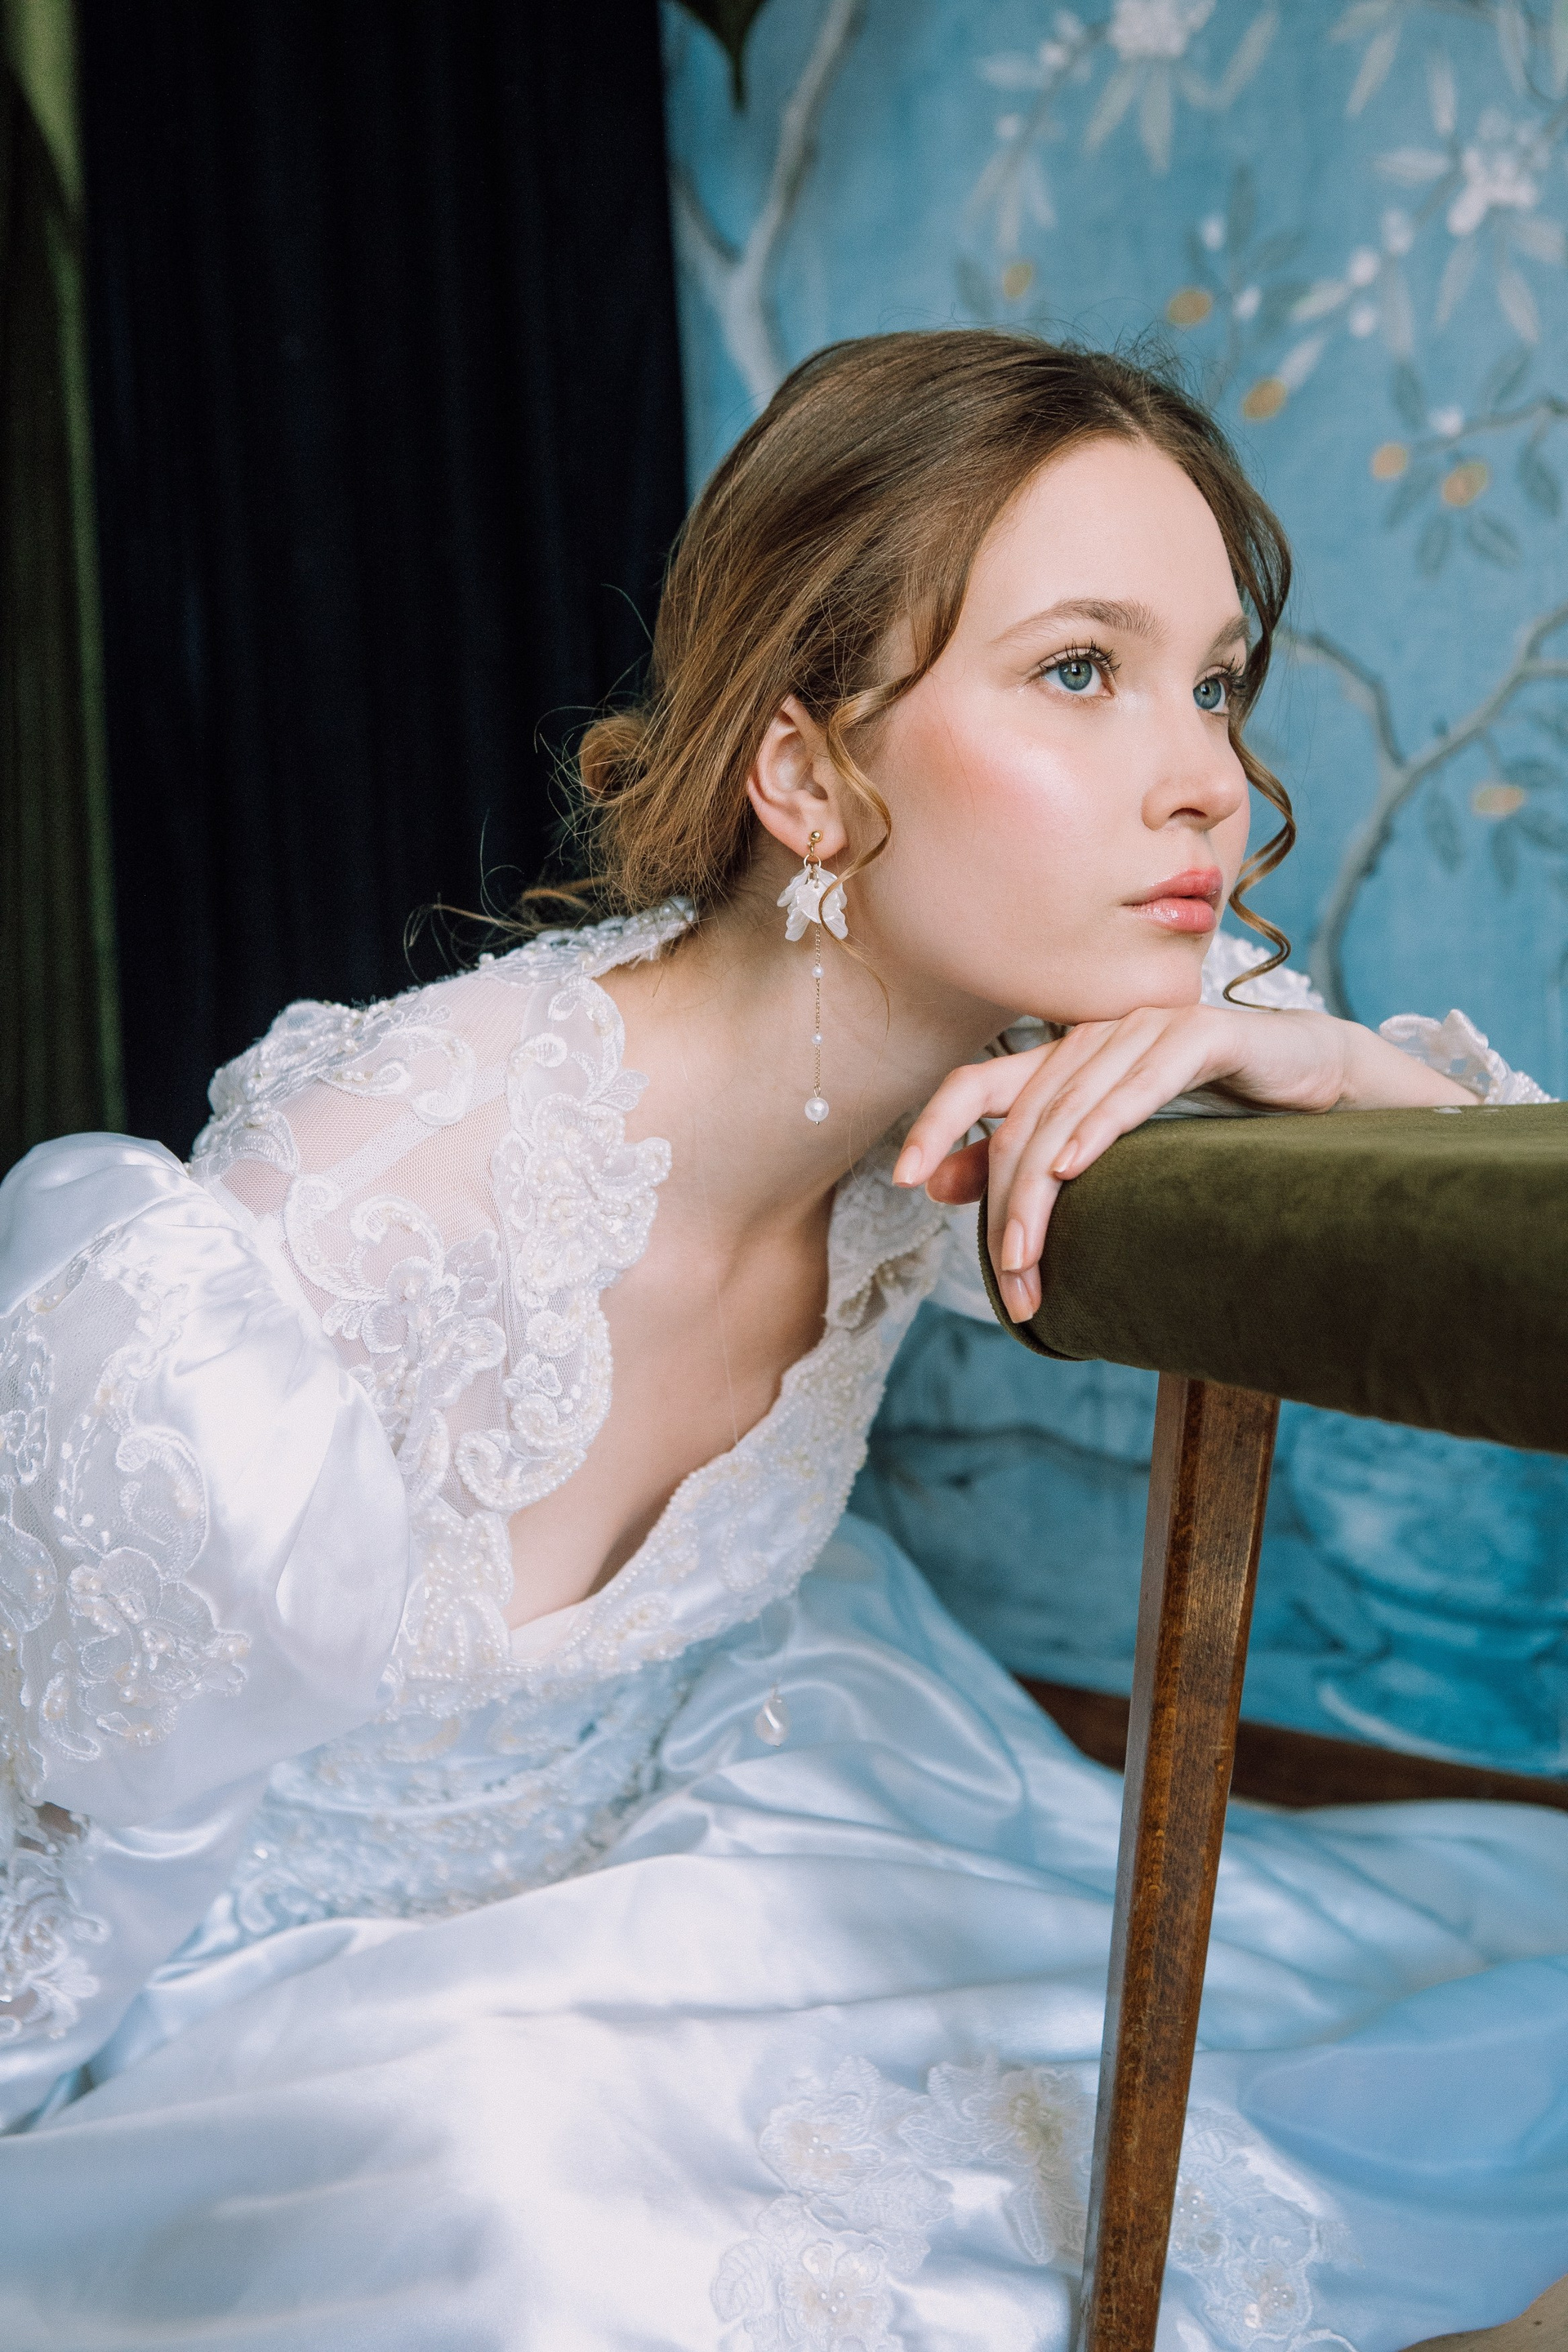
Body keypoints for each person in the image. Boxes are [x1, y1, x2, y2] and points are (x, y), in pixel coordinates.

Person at [2, 332, 1563, 2352]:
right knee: (535, 2231)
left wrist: (1329, 1060)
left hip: (702, 1797)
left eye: (1213, 682)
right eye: (1078, 671)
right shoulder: (373, 1197)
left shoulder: (1040, 1047)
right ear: (807, 775)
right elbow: (58, 1839)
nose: (1209, 778)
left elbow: (1487, 1224)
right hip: (244, 1983)